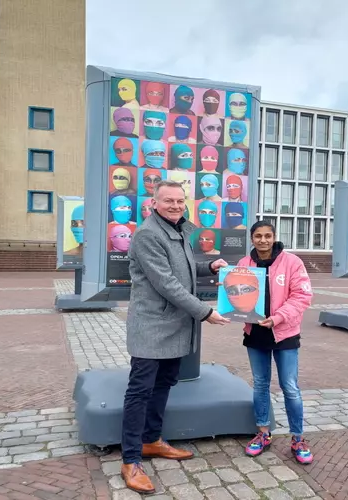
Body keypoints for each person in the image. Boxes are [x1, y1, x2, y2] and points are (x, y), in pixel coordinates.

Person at [121, 180, 231, 494]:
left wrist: (209, 265)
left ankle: (151, 440)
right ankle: (131, 459)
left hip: (174, 325)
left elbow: (181, 267)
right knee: (139, 391)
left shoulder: (177, 229)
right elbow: (166, 282)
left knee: (164, 383)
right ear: (154, 203)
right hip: (152, 327)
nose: (176, 206)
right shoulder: (147, 234)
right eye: (169, 201)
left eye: (180, 201)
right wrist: (205, 312)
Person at [232, 221, 314, 465]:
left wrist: (278, 318)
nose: (263, 240)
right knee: (259, 384)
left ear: (274, 237)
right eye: (258, 236)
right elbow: (236, 294)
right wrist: (231, 302)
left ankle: (298, 438)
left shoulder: (292, 262)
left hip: (285, 333)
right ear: (252, 238)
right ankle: (263, 433)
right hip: (256, 333)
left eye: (268, 236)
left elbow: (302, 296)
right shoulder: (244, 265)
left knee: (290, 386)